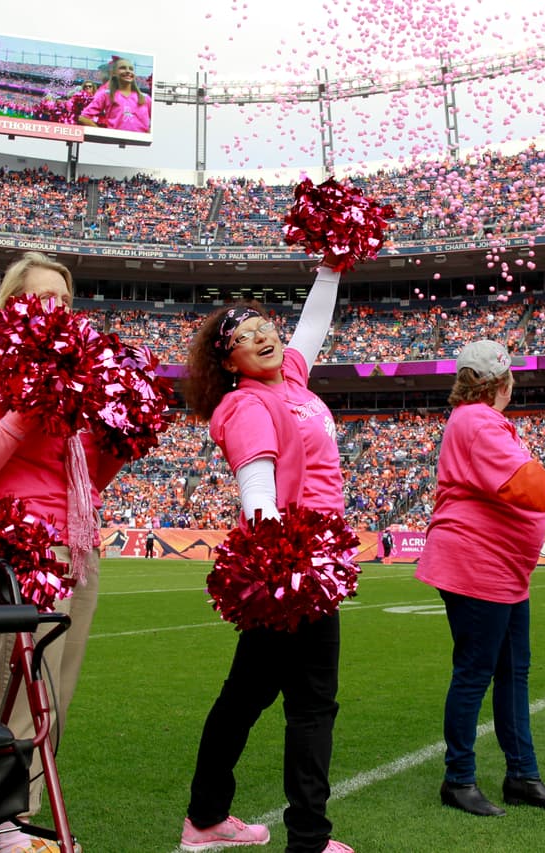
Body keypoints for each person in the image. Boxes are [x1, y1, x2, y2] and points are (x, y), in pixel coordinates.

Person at [0, 252, 125, 853]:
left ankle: (15, 812)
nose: (56, 310)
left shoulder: (75, 382)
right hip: (20, 547)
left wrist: (122, 442)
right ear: (9, 304)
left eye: (65, 302)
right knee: (24, 683)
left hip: (76, 543)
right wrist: (27, 406)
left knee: (57, 690)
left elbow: (88, 478)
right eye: (41, 297)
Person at [179, 265, 353, 853]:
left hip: (308, 561)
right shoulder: (247, 404)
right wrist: (284, 568)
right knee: (311, 704)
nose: (261, 335)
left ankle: (205, 820)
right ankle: (309, 839)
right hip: (293, 565)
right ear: (229, 363)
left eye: (262, 325)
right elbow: (257, 491)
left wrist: (331, 266)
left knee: (244, 696)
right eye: (242, 337)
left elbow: (311, 327)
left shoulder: (293, 383)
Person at [414, 339, 545, 817]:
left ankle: (522, 775)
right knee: (476, 674)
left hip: (500, 568)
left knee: (511, 674)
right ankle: (458, 778)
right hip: (477, 565)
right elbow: (524, 485)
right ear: (503, 383)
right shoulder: (479, 421)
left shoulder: (478, 421)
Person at [79, 57, 152, 132]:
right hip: (114, 142)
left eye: (131, 69)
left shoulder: (145, 98)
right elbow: (83, 118)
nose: (128, 71)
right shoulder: (105, 94)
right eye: (123, 68)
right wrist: (103, 134)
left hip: (138, 143)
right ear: (113, 73)